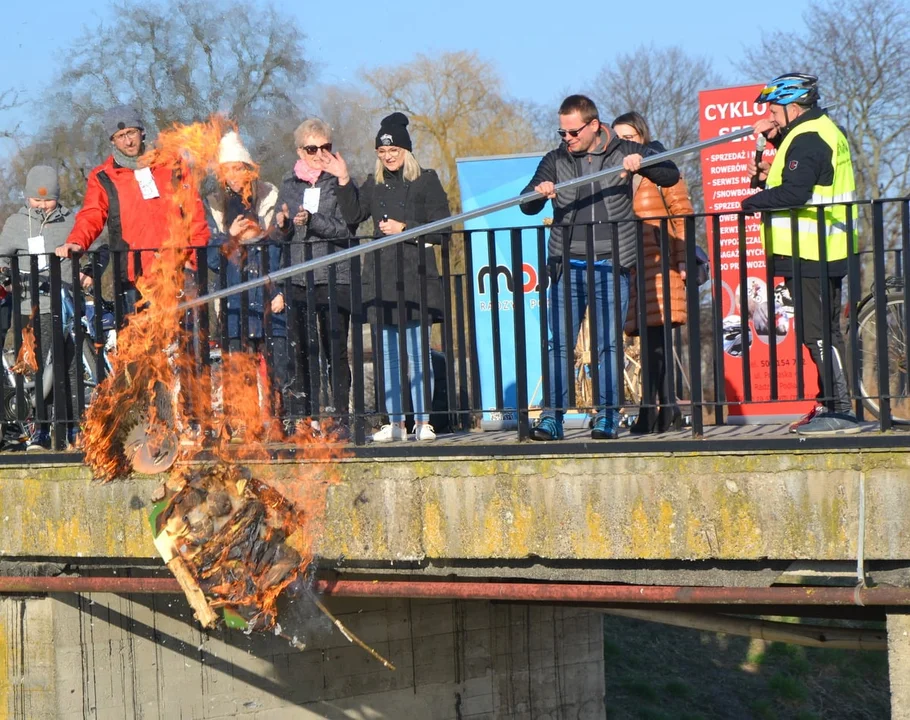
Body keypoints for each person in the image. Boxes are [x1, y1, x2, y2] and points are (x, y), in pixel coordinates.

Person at [520, 94, 680, 441]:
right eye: (562, 132)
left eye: (573, 132)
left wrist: (645, 163)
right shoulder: (555, 159)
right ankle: (552, 418)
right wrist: (539, 191)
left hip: (611, 265)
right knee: (558, 345)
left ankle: (607, 417)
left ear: (594, 125)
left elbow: (670, 174)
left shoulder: (623, 150)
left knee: (608, 343)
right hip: (568, 266)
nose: (567, 139)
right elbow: (525, 204)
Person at [742, 73, 859, 435]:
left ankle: (840, 409)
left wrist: (751, 201)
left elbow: (795, 192)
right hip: (821, 248)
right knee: (824, 332)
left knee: (818, 334)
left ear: (793, 108)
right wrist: (766, 171)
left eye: (774, 111)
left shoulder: (808, 138)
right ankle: (830, 405)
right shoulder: (818, 130)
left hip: (813, 251)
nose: (770, 117)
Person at [324, 112, 448, 442]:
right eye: (382, 151)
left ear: (406, 150)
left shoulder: (426, 180)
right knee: (389, 357)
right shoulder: (374, 183)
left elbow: (443, 228)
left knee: (417, 355)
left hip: (417, 277)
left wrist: (404, 229)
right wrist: (343, 179)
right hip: (381, 278)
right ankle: (394, 423)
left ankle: (423, 422)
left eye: (393, 150)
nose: (388, 156)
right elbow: (353, 215)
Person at [55, 104, 209, 309]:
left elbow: (194, 214)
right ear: (112, 140)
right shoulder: (103, 176)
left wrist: (193, 258)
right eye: (120, 136)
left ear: (142, 131)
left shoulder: (172, 165)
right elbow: (92, 214)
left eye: (131, 132)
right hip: (131, 276)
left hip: (176, 270)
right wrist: (77, 242)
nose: (128, 141)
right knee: (136, 338)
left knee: (183, 339)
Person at [0, 166, 107, 450]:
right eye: (36, 199)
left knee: (70, 369)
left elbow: (99, 247)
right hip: (31, 307)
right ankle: (42, 431)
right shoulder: (16, 223)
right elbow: (2, 255)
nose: (42, 204)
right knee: (37, 370)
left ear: (57, 198)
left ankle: (74, 428)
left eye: (47, 200)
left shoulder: (71, 220)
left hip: (67, 305)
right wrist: (4, 273)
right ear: (27, 197)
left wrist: (88, 271)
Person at [612, 112, 694, 435]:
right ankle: (663, 408)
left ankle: (656, 407)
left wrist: (683, 257)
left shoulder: (659, 165)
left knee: (659, 337)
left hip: (661, 262)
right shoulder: (618, 173)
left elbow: (681, 211)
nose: (624, 143)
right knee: (647, 340)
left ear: (642, 136)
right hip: (634, 265)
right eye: (618, 138)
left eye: (629, 137)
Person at [272, 118, 353, 431]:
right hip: (298, 277)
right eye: (312, 148)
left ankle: (340, 418)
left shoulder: (340, 182)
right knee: (301, 351)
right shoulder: (288, 185)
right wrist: (283, 225)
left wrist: (314, 221)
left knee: (335, 351)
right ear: (299, 151)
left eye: (326, 147)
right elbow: (281, 235)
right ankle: (305, 418)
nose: (320, 153)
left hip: (334, 276)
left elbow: (348, 227)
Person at [205, 131, 287, 430]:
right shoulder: (213, 204)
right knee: (238, 367)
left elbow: (280, 247)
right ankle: (247, 426)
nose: (235, 175)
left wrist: (280, 289)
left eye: (240, 167)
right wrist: (231, 238)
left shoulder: (268, 196)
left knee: (276, 364)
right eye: (228, 169)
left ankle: (277, 422)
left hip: (268, 292)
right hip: (233, 295)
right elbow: (212, 260)